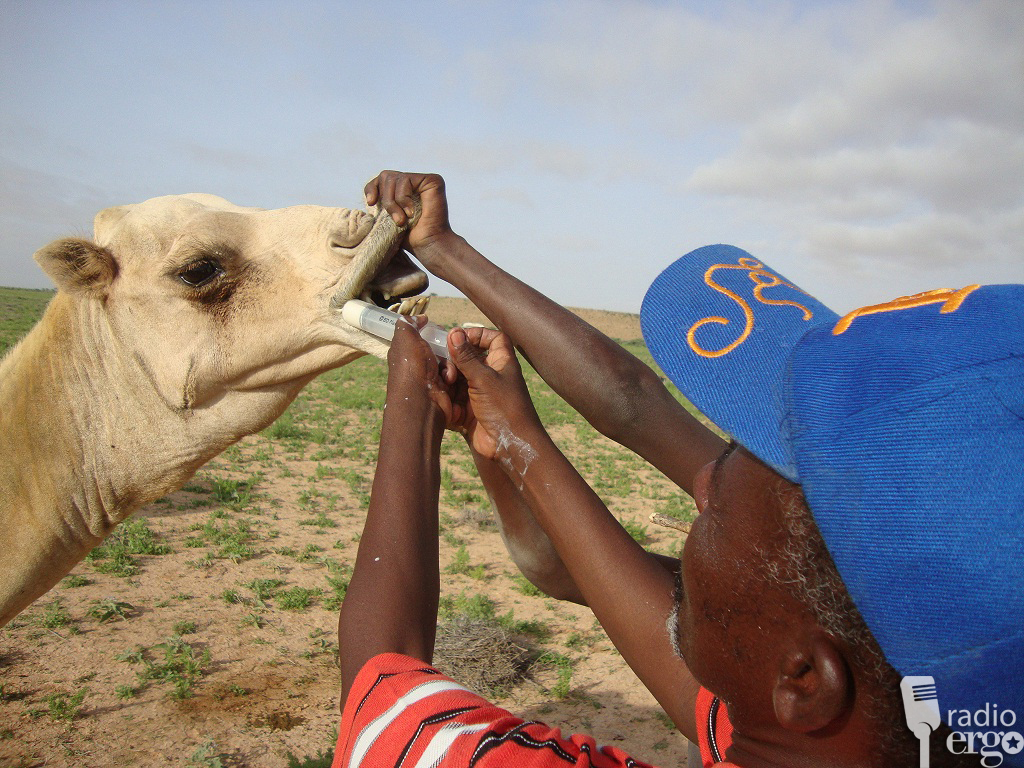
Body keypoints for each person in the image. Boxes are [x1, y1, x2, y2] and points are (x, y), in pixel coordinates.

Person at [331, 171, 1023, 768]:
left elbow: (379, 675)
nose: (699, 478)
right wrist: (509, 427)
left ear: (806, 680)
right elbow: (635, 412)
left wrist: (409, 405)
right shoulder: (871, 726)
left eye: (713, 508)